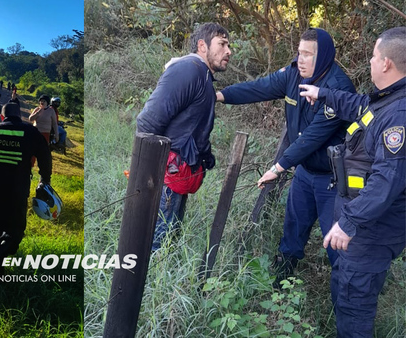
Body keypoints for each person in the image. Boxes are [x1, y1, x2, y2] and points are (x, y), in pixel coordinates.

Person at [216, 28, 356, 287]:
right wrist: (219, 96)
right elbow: (259, 88)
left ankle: (345, 306)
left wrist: (278, 168)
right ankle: (281, 291)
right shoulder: (293, 74)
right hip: (304, 175)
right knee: (292, 235)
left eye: (307, 55)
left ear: (323, 56)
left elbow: (311, 138)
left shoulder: (338, 88)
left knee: (336, 247)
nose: (300, 59)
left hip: (333, 182)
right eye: (299, 52)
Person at [299, 26, 406, 338]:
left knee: (354, 306)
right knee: (344, 292)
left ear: (386, 63)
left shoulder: (398, 115)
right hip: (362, 228)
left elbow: (387, 181)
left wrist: (348, 222)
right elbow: (359, 106)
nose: (370, 61)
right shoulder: (386, 99)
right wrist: (324, 93)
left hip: (371, 232)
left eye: (373, 56)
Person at [136, 22, 231, 252]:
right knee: (159, 243)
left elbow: (190, 126)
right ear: (202, 45)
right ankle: (145, 286)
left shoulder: (202, 76)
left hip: (179, 173)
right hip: (167, 175)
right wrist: (147, 175)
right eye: (222, 44)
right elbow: (148, 122)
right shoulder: (188, 70)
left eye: (229, 45)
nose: (229, 51)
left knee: (169, 238)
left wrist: (204, 154)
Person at [0, 102, 52, 261]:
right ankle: (4, 246)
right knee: (15, 222)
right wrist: (44, 179)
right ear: (20, 116)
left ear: (1, 116)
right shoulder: (31, 132)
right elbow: (45, 157)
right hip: (18, 185)